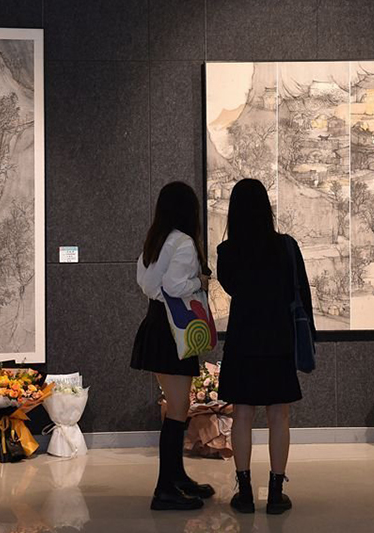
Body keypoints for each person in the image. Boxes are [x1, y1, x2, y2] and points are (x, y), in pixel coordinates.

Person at [216, 178, 315, 515]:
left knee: (242, 414)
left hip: (242, 340)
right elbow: (300, 292)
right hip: (278, 340)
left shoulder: (227, 252)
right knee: (279, 415)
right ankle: (275, 492)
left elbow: (233, 287)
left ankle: (244, 492)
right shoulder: (286, 247)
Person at [131, 181, 216, 511]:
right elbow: (176, 285)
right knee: (178, 409)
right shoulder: (183, 242)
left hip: (156, 325)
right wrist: (200, 281)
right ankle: (165, 489)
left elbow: (147, 284)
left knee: (176, 407)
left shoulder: (155, 241)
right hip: (173, 330)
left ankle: (177, 477)